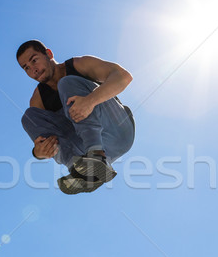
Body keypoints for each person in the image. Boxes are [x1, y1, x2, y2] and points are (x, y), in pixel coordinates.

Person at [17, 40, 135, 194]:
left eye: (34, 60)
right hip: (82, 148)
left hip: (117, 131)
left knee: (66, 83)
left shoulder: (79, 65)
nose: (33, 70)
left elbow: (124, 77)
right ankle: (80, 171)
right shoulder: (37, 100)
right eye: (26, 68)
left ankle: (96, 156)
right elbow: (45, 138)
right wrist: (38, 153)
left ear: (49, 54)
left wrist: (91, 101)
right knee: (29, 116)